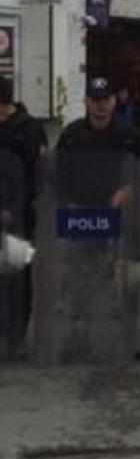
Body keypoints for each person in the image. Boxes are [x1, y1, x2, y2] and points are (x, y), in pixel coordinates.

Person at [54, 77, 140, 362]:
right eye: (95, 100)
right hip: (81, 216)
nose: (100, 106)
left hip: (117, 218)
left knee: (121, 282)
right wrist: (65, 204)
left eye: (105, 100)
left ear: (114, 102)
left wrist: (129, 189)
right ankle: (78, 339)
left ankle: (126, 341)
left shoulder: (128, 135)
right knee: (79, 280)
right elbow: (57, 175)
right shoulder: (71, 134)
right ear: (87, 102)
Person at [0, 78, 46, 362]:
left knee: (16, 276)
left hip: (18, 216)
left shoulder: (27, 130)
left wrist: (17, 209)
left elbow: (37, 176)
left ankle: (16, 337)